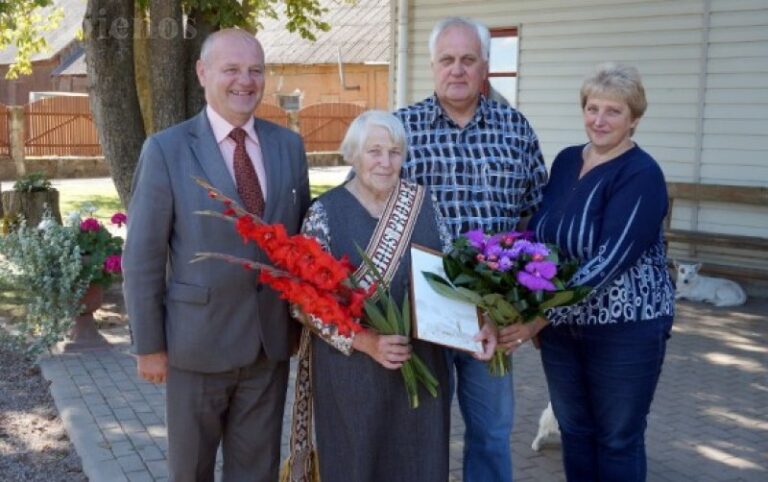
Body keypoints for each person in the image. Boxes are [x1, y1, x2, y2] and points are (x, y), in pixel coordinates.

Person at [122, 28, 310, 482]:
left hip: (269, 344)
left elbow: (303, 243)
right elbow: (142, 257)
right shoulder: (166, 149)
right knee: (191, 471)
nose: (245, 81)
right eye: (231, 69)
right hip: (196, 346)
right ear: (203, 73)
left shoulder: (288, 145)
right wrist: (149, 347)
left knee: (257, 471)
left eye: (255, 70)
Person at [500, 63, 675, 481]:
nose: (600, 120)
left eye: (613, 111)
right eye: (592, 107)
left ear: (634, 119)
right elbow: (539, 234)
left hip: (624, 328)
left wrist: (537, 317)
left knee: (617, 438)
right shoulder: (564, 162)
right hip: (563, 331)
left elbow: (610, 261)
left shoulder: (642, 174)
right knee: (575, 431)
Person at [298, 110, 495, 482]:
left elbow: (450, 275)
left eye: (395, 152)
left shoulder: (423, 203)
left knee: (419, 463)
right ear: (353, 154)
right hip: (352, 372)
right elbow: (305, 302)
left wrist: (475, 325)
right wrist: (366, 340)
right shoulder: (324, 213)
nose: (386, 163)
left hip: (420, 365)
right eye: (374, 151)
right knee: (357, 463)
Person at [394, 17, 548, 482]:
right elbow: (365, 208)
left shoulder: (515, 130)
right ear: (432, 66)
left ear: (485, 66)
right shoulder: (400, 130)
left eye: (468, 60)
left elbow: (535, 218)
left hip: (492, 316)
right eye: (447, 60)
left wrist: (530, 306)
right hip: (422, 312)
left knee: (491, 433)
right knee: (419, 430)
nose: (457, 70)